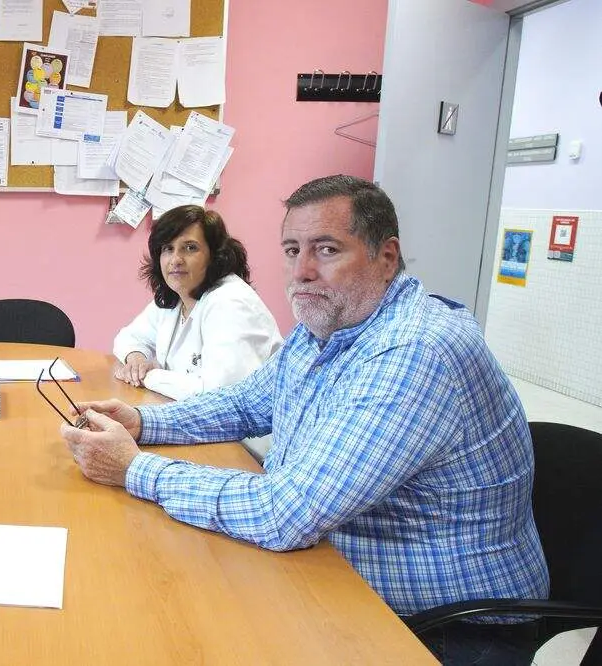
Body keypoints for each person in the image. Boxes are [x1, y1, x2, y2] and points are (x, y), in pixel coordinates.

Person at [60, 175, 549, 665]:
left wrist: (132, 468)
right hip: (341, 566)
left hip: (448, 626)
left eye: (327, 249)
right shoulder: (333, 324)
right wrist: (144, 423)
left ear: (387, 257)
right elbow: (247, 403)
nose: (302, 271)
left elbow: (286, 513)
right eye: (292, 250)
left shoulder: (415, 352)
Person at [113, 205, 282, 401]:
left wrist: (150, 376)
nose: (176, 259)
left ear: (215, 255)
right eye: (168, 249)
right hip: (185, 418)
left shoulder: (231, 303)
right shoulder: (177, 296)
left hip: (236, 429)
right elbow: (128, 337)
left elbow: (220, 395)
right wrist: (136, 359)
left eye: (190, 248)